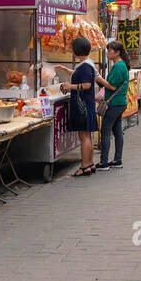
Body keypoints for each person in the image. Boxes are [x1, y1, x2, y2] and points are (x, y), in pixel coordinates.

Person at [60, 36, 99, 176]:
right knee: (87, 135)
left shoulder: (85, 66)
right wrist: (66, 70)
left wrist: (70, 86)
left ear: (76, 50)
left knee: (84, 136)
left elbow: (87, 85)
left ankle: (84, 166)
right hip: (86, 104)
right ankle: (90, 164)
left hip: (83, 105)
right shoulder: (86, 64)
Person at [96, 41, 130, 171]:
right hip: (119, 102)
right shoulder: (120, 65)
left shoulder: (118, 66)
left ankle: (104, 162)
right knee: (117, 131)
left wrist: (99, 79)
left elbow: (112, 86)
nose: (107, 53)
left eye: (110, 50)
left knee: (105, 131)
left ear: (117, 53)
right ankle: (117, 160)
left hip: (114, 103)